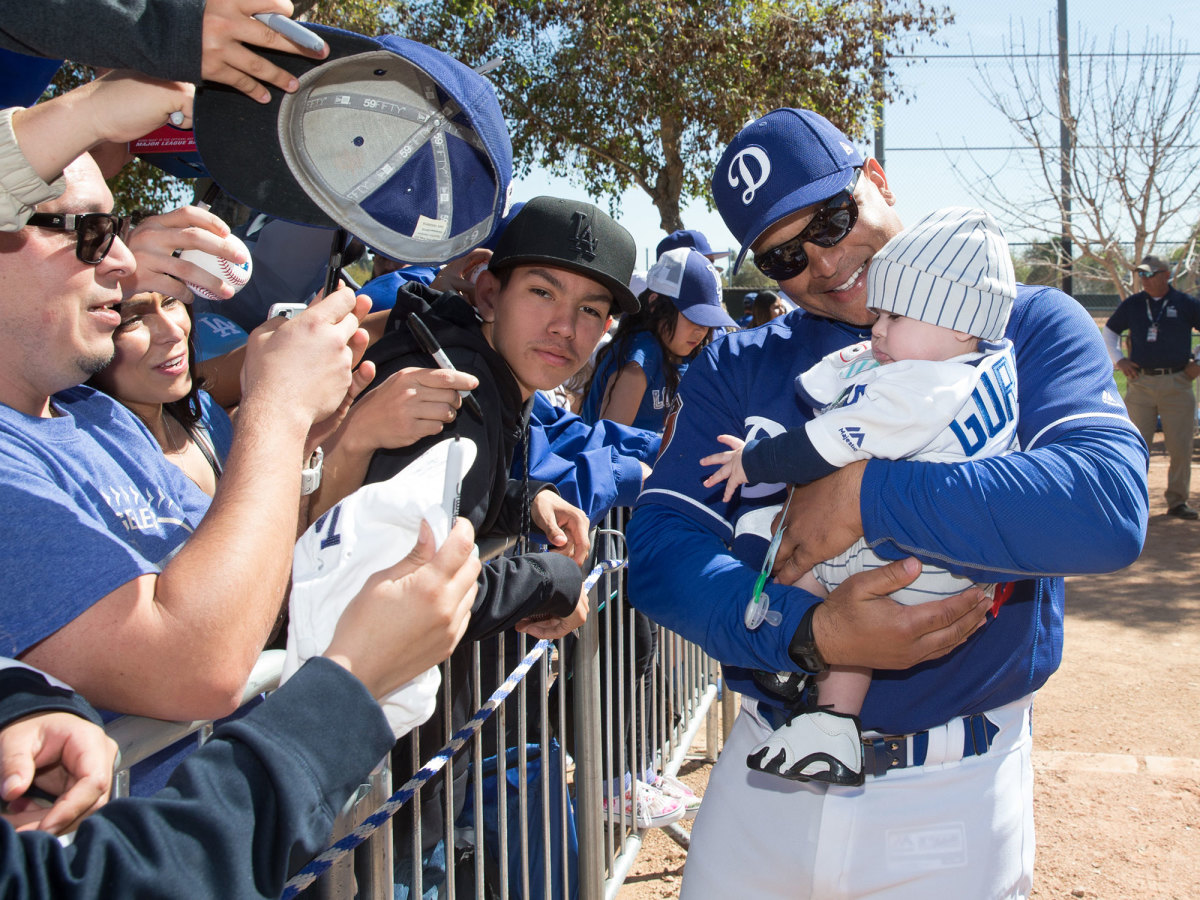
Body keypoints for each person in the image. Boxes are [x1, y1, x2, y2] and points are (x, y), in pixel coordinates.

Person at [626, 107, 1147, 899]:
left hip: (953, 791)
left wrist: (870, 495)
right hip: (769, 771)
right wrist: (810, 633)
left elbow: (1105, 508)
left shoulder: (1026, 325)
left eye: (834, 218)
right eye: (784, 256)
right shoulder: (737, 364)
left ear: (877, 179)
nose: (825, 262)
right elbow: (661, 550)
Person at [0, 152, 369, 734]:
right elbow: (201, 666)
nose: (123, 260)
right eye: (87, 232)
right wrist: (275, 414)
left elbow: (252, 598)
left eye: (114, 231)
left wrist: (296, 448)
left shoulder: (97, 417)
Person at [701, 207, 1019, 786]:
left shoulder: (922, 384)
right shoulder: (984, 361)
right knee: (835, 588)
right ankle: (832, 716)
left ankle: (797, 678)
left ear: (958, 326)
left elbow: (822, 446)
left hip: (913, 566)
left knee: (788, 552)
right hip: (956, 559)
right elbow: (847, 377)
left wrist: (752, 461)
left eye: (896, 315)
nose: (877, 328)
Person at [0, 516, 479, 899]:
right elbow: (135, 881)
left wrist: (27, 702)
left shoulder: (108, 418)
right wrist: (352, 678)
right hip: (246, 826)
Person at [89, 291, 231, 495]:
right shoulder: (96, 469)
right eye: (134, 319)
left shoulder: (204, 411)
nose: (174, 332)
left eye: (171, 301)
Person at [580, 246, 735, 431]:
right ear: (654, 303)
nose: (701, 329)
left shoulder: (686, 353)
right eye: (692, 316)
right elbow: (609, 442)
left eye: (708, 320)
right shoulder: (642, 356)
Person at [1103, 254, 1200, 519]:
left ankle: (1177, 501)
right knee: (1135, 444)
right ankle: (1132, 502)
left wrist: (1198, 363)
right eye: (1141, 275)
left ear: (1167, 275)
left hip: (1178, 382)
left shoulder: (1185, 304)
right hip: (1140, 384)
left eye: (1150, 274)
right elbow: (1110, 332)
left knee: (1180, 446)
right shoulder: (1133, 304)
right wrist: (1119, 361)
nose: (1144, 279)